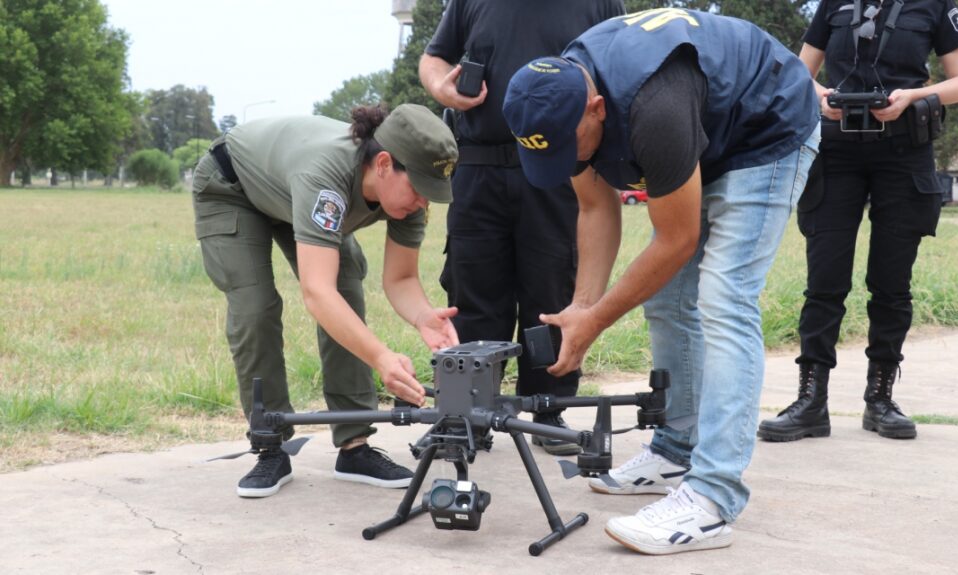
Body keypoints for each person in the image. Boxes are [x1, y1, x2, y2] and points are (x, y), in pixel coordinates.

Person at [502, 7, 820, 554]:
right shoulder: (559, 102)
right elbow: (597, 210)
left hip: (766, 125)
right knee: (667, 299)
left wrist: (597, 321)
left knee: (724, 299)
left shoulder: (653, 107)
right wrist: (582, 305)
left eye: (567, 147)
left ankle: (714, 498)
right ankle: (676, 450)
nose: (565, 159)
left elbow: (677, 240)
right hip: (706, 126)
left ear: (597, 108)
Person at [192, 104, 460, 498]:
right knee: (256, 308)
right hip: (232, 187)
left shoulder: (407, 198)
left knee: (347, 282)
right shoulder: (326, 175)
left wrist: (423, 317)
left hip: (290, 190)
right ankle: (270, 444)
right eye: (419, 188)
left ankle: (354, 446)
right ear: (384, 163)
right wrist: (382, 357)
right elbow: (318, 294)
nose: (424, 203)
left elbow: (401, 278)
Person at [758, 0, 958, 443]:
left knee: (892, 282)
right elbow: (801, 69)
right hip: (837, 152)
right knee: (825, 281)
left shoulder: (932, 6)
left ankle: (880, 400)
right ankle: (811, 402)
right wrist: (819, 96)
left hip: (904, 151)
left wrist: (914, 96)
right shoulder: (834, 4)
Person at [418, 0, 624, 455]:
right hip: (479, 164)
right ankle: (467, 413)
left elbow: (614, 62)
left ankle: (549, 407)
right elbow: (434, 57)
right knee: (473, 290)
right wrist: (443, 89)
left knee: (550, 286)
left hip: (559, 167)